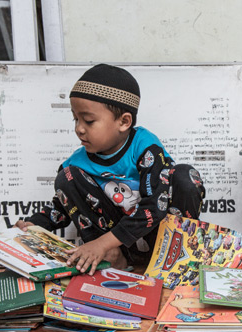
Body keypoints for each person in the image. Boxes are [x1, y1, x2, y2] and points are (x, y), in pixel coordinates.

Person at [16, 64, 206, 273]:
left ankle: (177, 259)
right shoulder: (76, 163)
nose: (79, 129)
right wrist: (33, 226)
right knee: (66, 177)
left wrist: (103, 242)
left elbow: (155, 207)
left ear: (124, 122)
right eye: (76, 119)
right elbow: (62, 208)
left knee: (185, 175)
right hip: (115, 244)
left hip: (160, 238)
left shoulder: (146, 147)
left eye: (88, 121)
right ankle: (114, 258)